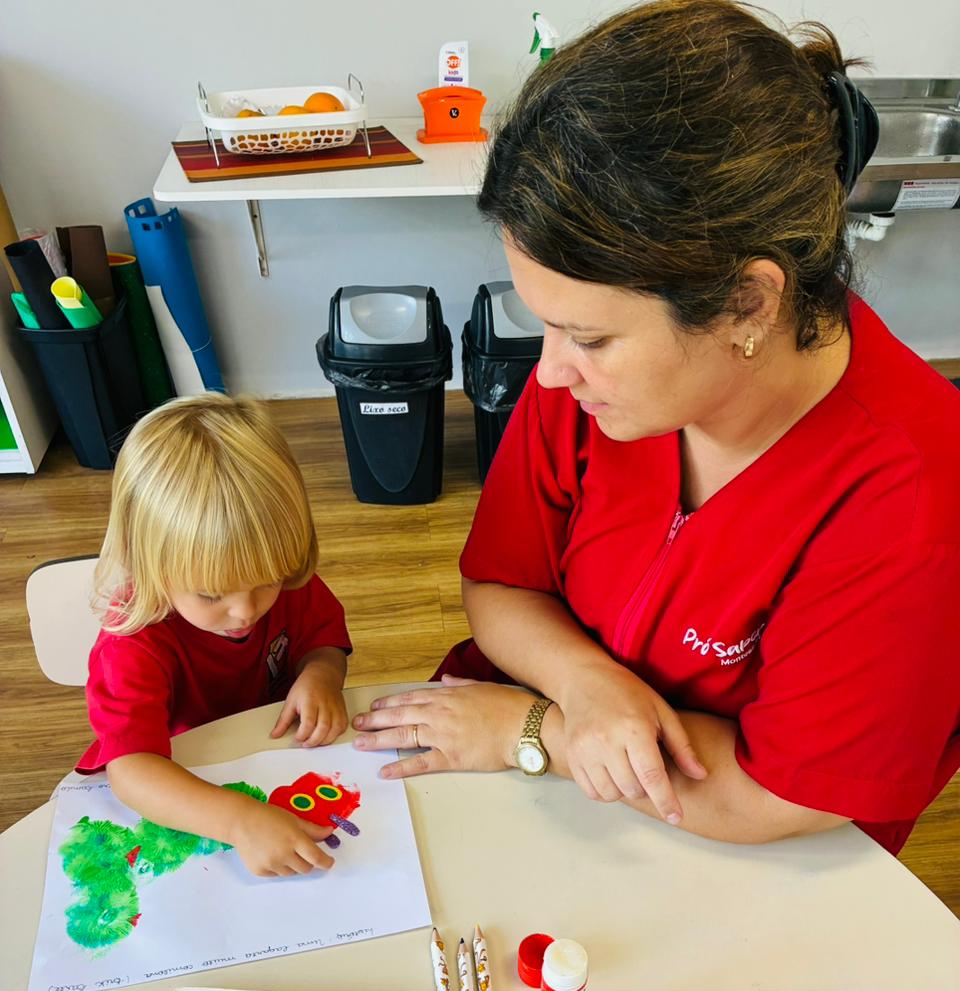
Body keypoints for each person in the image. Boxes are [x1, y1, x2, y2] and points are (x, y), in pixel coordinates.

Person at [353, 0, 960, 853]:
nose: (551, 372)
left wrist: (538, 732)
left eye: (591, 337)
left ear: (748, 302)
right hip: (552, 777)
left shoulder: (914, 498)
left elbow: (779, 796)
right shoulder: (593, 392)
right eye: (549, 326)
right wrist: (587, 683)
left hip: (733, 850)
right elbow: (502, 583)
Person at [78, 394, 351, 877]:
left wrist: (322, 672)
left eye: (266, 579)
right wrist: (240, 822)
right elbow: (132, 770)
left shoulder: (282, 580)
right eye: (210, 594)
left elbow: (322, 637)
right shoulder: (132, 643)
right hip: (188, 785)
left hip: (272, 756)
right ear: (151, 567)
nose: (245, 610)